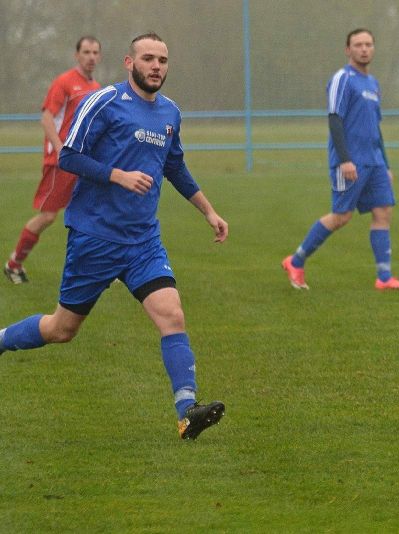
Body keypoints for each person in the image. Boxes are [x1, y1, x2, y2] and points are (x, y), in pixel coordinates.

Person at [0, 33, 228, 440]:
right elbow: (68, 155)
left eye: (162, 59)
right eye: (148, 59)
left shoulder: (171, 113)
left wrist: (208, 211)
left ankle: (187, 411)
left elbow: (175, 167)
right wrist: (117, 175)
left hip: (143, 241)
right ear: (129, 62)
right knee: (61, 329)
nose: (156, 66)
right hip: (95, 237)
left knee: (172, 315)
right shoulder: (104, 101)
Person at [282, 28, 399, 291]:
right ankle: (296, 262)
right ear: (348, 50)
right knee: (341, 216)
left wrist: (386, 164)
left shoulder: (373, 83)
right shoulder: (342, 79)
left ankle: (384, 277)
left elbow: (375, 128)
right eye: (358, 44)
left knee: (383, 212)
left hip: (375, 161)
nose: (364, 49)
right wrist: (345, 159)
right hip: (350, 162)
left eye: (368, 44)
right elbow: (335, 118)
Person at [4, 36, 102, 284]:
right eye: (86, 52)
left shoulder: (96, 88)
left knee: (94, 209)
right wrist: (60, 150)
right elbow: (47, 118)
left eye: (95, 52)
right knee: (48, 216)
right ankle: (14, 264)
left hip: (81, 161)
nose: (91, 56)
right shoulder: (65, 82)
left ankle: (102, 268)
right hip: (61, 163)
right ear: (76, 55)